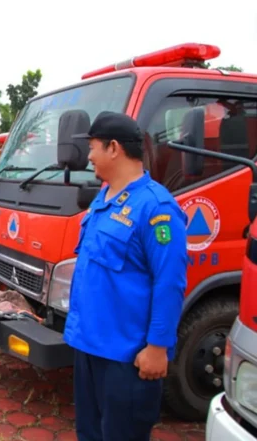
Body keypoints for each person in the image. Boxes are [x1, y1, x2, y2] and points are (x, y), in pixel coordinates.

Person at [63, 112, 187, 440]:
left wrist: (158, 346)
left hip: (126, 357)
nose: (88, 156)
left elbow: (169, 281)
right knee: (89, 433)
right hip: (89, 347)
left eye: (92, 147)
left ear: (114, 148)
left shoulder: (156, 208)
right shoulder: (104, 200)